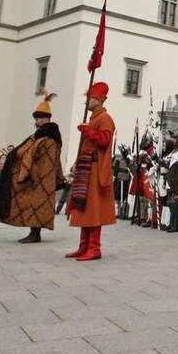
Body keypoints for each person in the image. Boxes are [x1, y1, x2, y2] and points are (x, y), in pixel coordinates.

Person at [0, 92, 66, 243]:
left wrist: (26, 168)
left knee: (37, 205)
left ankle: (35, 234)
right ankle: (33, 232)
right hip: (38, 176)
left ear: (46, 119)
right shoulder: (41, 135)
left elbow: (38, 157)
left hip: (41, 177)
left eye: (38, 119)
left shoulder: (49, 138)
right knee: (32, 204)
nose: (36, 122)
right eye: (36, 119)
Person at [65, 82, 116, 261]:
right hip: (86, 167)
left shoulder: (105, 118)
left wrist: (88, 130)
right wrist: (77, 161)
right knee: (85, 208)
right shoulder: (94, 118)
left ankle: (94, 248)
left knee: (93, 209)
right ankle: (83, 246)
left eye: (90, 98)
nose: (87, 102)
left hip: (95, 168)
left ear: (99, 100)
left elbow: (104, 140)